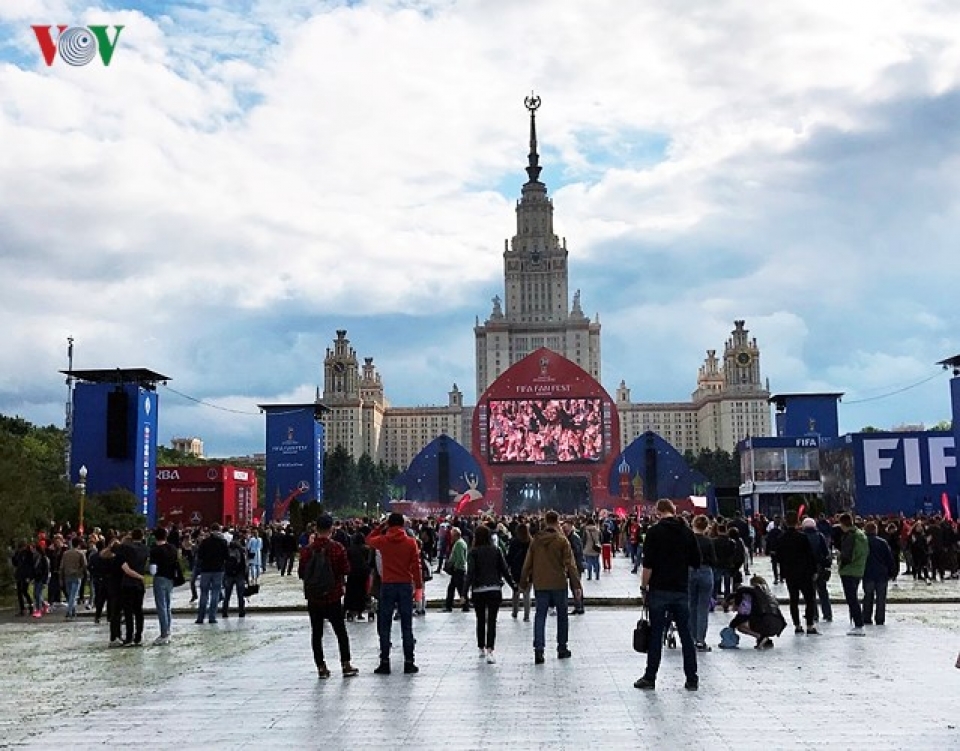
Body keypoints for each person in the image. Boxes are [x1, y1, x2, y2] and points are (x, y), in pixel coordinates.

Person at [634, 500, 701, 691]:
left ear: (658, 512)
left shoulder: (654, 532)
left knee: (656, 634)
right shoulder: (686, 532)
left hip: (659, 590)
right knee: (686, 635)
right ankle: (691, 678)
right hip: (680, 589)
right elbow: (696, 561)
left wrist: (643, 586)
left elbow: (648, 565)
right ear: (673, 510)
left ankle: (650, 677)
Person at [299, 515, 359, 679]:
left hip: (313, 597)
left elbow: (301, 573)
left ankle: (321, 667)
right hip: (333, 596)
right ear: (331, 529)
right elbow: (345, 569)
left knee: (316, 633)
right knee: (340, 632)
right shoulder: (337, 548)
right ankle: (346, 664)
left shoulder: (307, 550)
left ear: (316, 529)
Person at [519, 510, 582, 665]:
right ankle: (562, 648)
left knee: (540, 616)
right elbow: (571, 565)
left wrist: (523, 582)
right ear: (557, 521)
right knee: (562, 616)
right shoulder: (562, 541)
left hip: (540, 584)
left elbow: (527, 563)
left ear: (545, 521)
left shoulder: (536, 541)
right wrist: (576, 586)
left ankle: (539, 650)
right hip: (559, 583)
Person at [367, 513, 423, 675]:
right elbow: (416, 567)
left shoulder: (383, 541)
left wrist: (380, 526)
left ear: (389, 524)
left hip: (388, 584)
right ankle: (409, 662)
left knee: (385, 625)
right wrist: (418, 587)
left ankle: (385, 661)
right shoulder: (411, 543)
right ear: (403, 525)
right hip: (405, 585)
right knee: (407, 625)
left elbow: (369, 539)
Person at [466, 524, 515, 663]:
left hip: (478, 590)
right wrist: (514, 586)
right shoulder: (496, 550)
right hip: (494, 588)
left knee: (480, 619)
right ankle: (490, 649)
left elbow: (470, 573)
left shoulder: (473, 552)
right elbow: (505, 570)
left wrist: (464, 592)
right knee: (492, 620)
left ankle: (481, 646)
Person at [776, 511, 820, 636]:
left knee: (793, 600)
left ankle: (797, 625)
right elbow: (810, 556)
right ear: (797, 522)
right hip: (805, 573)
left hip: (790, 573)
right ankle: (810, 625)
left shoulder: (781, 538)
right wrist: (814, 571)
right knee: (809, 599)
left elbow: (778, 558)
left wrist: (782, 572)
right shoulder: (802, 537)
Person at [723, 575, 787, 649]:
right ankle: (765, 640)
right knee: (756, 620)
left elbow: (742, 615)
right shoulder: (768, 594)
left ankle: (760, 637)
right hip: (778, 624)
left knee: (741, 626)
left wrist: (732, 626)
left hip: (767, 622)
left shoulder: (749, 597)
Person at [115, 529, 149, 646]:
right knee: (139, 611)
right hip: (139, 585)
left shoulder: (125, 549)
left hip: (128, 583)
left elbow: (125, 568)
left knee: (128, 612)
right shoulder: (145, 549)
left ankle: (129, 637)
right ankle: (138, 636)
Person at [688, 515, 716, 652]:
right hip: (705, 572)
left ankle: (691, 638)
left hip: (690, 572)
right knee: (703, 608)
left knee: (691, 606)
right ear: (706, 527)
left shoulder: (687, 540)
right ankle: (700, 641)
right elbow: (713, 560)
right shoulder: (708, 541)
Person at [838, 513, 868, 636]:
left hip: (848, 571)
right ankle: (858, 623)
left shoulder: (850, 536)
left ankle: (858, 624)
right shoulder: (861, 534)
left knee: (851, 599)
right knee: (854, 597)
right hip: (858, 569)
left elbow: (847, 555)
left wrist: (840, 561)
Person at [149, 527, 180, 645]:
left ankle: (163, 634)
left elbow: (153, 570)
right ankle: (168, 631)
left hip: (160, 578)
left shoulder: (155, 550)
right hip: (171, 578)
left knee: (161, 606)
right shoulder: (172, 548)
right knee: (167, 605)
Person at [862, 521, 896, 626]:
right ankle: (880, 619)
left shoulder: (862, 542)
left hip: (867, 573)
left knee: (868, 596)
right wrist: (892, 572)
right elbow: (889, 559)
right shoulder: (882, 542)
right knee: (881, 598)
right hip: (882, 574)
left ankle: (866, 618)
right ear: (875, 530)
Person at [194, 523, 229, 625]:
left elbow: (199, 556)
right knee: (215, 593)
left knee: (204, 593)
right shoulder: (223, 542)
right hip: (218, 570)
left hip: (205, 570)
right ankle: (212, 617)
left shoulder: (205, 542)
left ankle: (200, 617)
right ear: (219, 530)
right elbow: (226, 556)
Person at [802, 517, 834, 622]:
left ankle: (813, 614)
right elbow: (826, 553)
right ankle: (827, 614)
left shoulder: (802, 537)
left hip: (807, 568)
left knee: (810, 593)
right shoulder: (820, 536)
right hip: (820, 567)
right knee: (823, 591)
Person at [506, 523, 532, 621]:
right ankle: (526, 615)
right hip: (529, 570)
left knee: (516, 592)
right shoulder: (531, 542)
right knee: (527, 593)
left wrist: (507, 567)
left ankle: (515, 612)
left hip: (516, 570)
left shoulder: (514, 542)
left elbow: (510, 556)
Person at [222, 532, 248, 619]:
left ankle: (224, 612)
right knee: (240, 595)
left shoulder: (227, 550)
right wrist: (246, 577)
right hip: (239, 575)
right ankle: (241, 612)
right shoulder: (241, 550)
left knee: (227, 595)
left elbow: (224, 562)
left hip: (229, 575)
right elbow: (244, 564)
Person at [59, 536, 87, 620]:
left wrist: (61, 578)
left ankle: (72, 612)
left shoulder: (65, 553)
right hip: (76, 576)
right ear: (78, 544)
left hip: (67, 576)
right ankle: (69, 612)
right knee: (73, 596)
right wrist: (81, 572)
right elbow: (85, 565)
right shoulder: (80, 553)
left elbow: (61, 567)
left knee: (70, 595)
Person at [562, 519, 586, 614]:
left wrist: (567, 552)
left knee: (576, 586)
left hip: (576, 565)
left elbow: (577, 551)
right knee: (574, 586)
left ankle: (579, 606)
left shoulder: (574, 537)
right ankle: (578, 605)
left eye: (566, 527)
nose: (564, 529)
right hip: (572, 565)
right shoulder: (569, 537)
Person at [443, 527, 469, 612]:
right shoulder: (461, 542)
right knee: (453, 588)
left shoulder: (459, 544)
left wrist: (455, 566)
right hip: (459, 570)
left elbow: (460, 558)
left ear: (455, 535)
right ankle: (449, 605)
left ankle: (464, 605)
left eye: (452, 535)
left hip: (458, 570)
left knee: (459, 589)